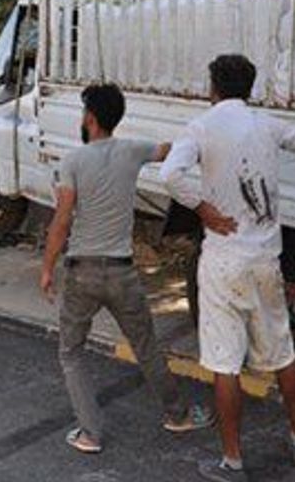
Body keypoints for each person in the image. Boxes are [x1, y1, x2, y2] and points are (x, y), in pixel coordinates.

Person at [160, 54, 295, 481]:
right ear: (249, 88)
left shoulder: (202, 127)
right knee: (283, 353)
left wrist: (203, 207)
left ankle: (233, 461)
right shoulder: (267, 124)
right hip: (265, 260)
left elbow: (171, 174)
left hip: (222, 261)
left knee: (225, 363)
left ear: (213, 86)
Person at [40, 83, 214, 455]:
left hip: (81, 271)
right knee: (146, 346)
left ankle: (90, 434)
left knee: (71, 353)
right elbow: (171, 150)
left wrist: (46, 268)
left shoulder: (72, 162)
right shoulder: (133, 150)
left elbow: (62, 220)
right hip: (122, 273)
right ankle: (177, 415)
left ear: (90, 118)